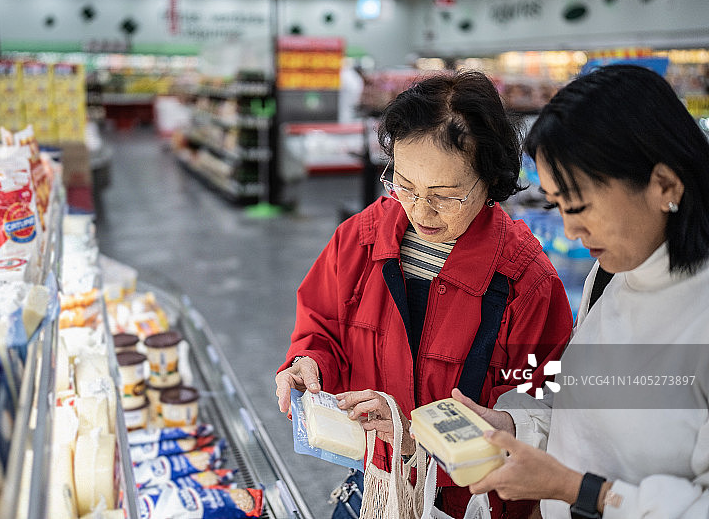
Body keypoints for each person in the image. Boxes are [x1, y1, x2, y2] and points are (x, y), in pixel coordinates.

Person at [274, 70, 574, 518]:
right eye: (406, 187)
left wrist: (421, 437)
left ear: (491, 180)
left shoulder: (525, 283)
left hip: (475, 503)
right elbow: (322, 328)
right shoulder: (360, 241)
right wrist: (308, 364)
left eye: (445, 195)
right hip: (374, 483)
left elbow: (542, 413)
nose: (420, 210)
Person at [455, 64, 709, 518]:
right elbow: (582, 396)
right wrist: (512, 423)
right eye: (558, 205)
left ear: (664, 184)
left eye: (580, 205)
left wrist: (578, 491)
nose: (570, 229)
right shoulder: (612, 274)